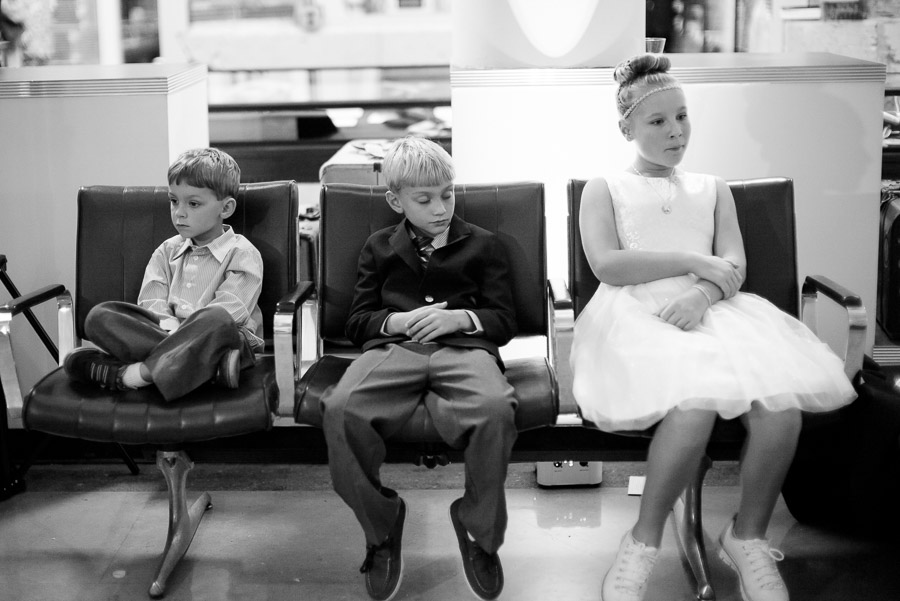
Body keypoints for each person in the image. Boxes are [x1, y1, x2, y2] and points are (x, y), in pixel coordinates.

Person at [570, 54, 857, 601]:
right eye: (658, 121)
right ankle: (643, 542)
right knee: (695, 400)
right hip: (637, 316)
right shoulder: (603, 187)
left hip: (716, 311)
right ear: (626, 127)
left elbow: (732, 265)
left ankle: (746, 536)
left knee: (780, 407)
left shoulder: (713, 186)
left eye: (682, 117)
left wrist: (703, 291)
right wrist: (694, 262)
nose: (675, 131)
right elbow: (607, 263)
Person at [321, 136, 518, 601]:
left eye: (447, 195)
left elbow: (504, 320)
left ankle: (478, 531)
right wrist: (396, 320)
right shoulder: (378, 247)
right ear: (396, 200)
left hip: (464, 350)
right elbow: (356, 321)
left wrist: (461, 318)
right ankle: (382, 526)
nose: (440, 208)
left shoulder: (485, 245)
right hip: (393, 350)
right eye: (424, 199)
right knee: (341, 409)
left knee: (495, 408)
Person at [63, 147, 263, 402]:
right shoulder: (166, 251)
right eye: (173, 201)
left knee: (215, 318)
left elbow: (230, 312)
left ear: (226, 208)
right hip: (168, 331)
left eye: (193, 204)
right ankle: (210, 369)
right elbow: (151, 301)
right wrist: (169, 329)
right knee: (99, 316)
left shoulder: (243, 253)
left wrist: (186, 331)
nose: (179, 212)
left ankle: (129, 375)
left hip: (223, 338)